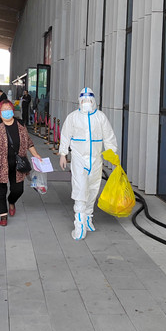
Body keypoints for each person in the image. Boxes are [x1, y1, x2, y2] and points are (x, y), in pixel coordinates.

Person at [58, 87, 117, 240]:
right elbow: (65, 135)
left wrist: (112, 153)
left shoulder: (101, 117)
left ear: (94, 101)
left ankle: (88, 217)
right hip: (79, 159)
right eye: (83, 100)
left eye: (89, 100)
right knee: (80, 189)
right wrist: (63, 153)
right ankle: (79, 224)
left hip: (96, 159)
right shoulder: (73, 117)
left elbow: (108, 136)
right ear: (79, 101)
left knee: (93, 188)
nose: (86, 103)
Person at [0, 98, 42, 226]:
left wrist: (36, 154)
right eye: (4, 109)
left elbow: (28, 141)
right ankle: (3, 215)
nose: (7, 111)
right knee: (0, 189)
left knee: (18, 190)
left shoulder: (20, 124)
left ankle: (11, 201)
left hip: (18, 164)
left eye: (9, 109)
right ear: (0, 112)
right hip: (0, 163)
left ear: (12, 110)